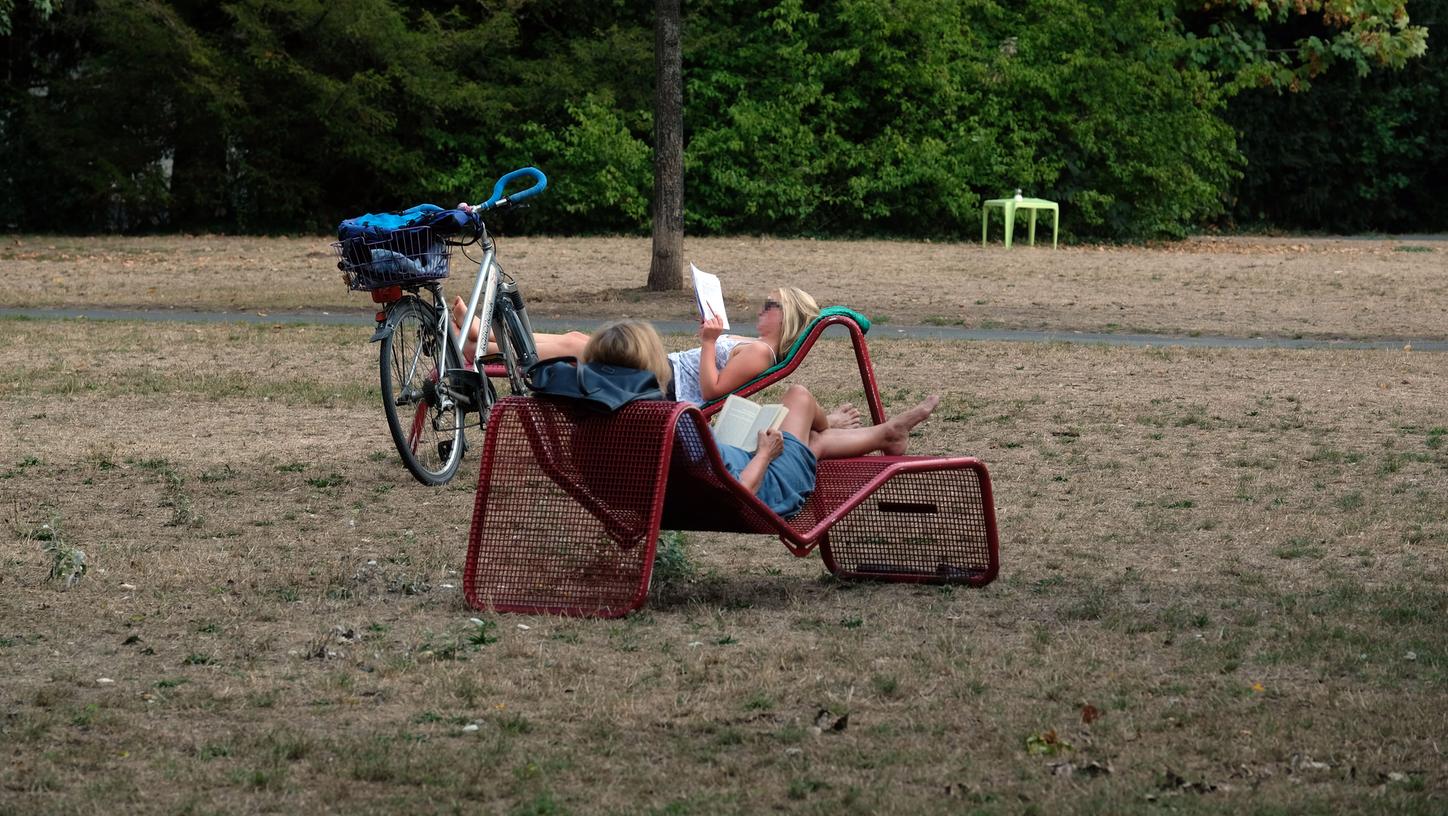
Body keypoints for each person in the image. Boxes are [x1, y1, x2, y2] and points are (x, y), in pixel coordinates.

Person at [580, 320, 940, 519]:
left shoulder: (588, 417)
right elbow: (735, 493)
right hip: (763, 490)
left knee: (809, 444)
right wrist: (765, 454)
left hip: (659, 500)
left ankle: (884, 435)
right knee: (798, 397)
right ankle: (849, 427)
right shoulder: (674, 422)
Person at [450, 285, 851, 418]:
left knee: (575, 345)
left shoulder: (763, 353)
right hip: (666, 372)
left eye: (771, 306)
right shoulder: (756, 346)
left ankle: (480, 338)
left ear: (788, 319)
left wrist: (710, 341)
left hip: (666, 383)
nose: (762, 309)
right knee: (575, 339)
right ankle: (481, 341)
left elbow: (711, 391)